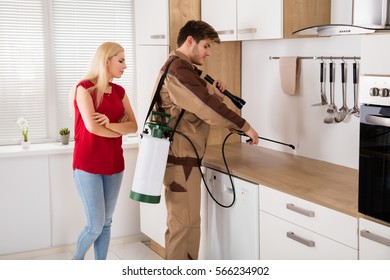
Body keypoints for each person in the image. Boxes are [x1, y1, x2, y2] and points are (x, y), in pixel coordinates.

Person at [151, 20, 259, 260]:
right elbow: (203, 106)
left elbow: (194, 111)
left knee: (186, 224)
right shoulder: (179, 69)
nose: (208, 53)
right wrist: (245, 126)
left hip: (182, 159)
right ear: (190, 41)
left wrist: (217, 98)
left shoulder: (179, 67)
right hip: (181, 162)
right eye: (206, 46)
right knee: (183, 227)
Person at [72, 41, 137, 260]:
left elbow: (133, 126)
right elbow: (92, 127)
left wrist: (109, 124)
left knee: (106, 223)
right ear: (106, 61)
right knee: (95, 225)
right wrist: (118, 130)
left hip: (114, 164)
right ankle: (75, 262)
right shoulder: (85, 88)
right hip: (88, 164)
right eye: (121, 61)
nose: (125, 66)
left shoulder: (119, 91)